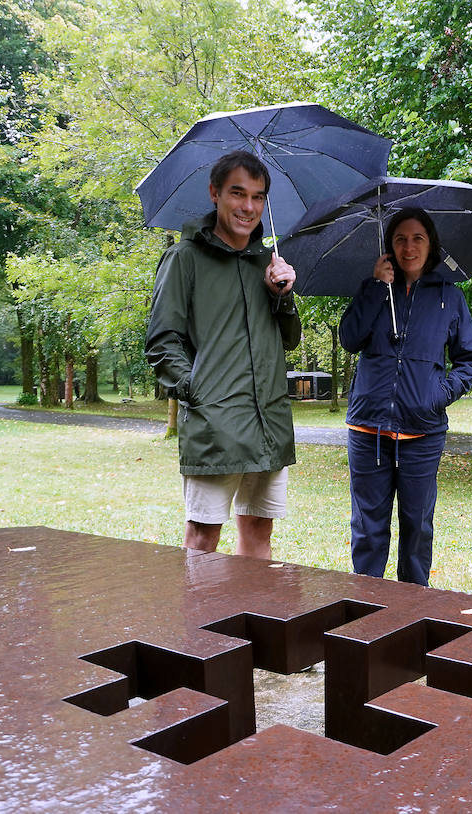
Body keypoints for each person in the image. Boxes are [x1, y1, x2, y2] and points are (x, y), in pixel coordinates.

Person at [145, 151, 300, 558]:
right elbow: (162, 342)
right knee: (201, 541)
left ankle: (251, 622)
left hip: (269, 422)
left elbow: (289, 339)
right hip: (215, 428)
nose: (248, 206)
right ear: (215, 194)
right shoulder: (184, 259)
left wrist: (282, 296)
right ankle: (199, 625)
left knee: (259, 535)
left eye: (258, 196)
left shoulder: (269, 262)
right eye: (237, 193)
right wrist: (198, 390)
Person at [339, 208, 472, 586]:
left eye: (417, 238)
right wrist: (373, 287)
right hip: (369, 429)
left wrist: (439, 394)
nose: (409, 246)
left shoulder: (449, 297)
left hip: (423, 431)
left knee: (417, 528)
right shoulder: (373, 288)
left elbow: (469, 359)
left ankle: (413, 614)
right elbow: (350, 339)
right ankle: (365, 608)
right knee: (368, 529)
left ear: (430, 244)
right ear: (389, 247)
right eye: (400, 238)